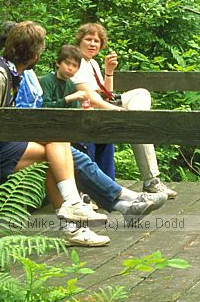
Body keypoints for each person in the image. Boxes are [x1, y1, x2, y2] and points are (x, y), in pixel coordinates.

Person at [0, 21, 111, 246]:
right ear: (35, 55)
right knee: (54, 147)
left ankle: (72, 211)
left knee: (55, 145)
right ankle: (73, 217)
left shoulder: (12, 73)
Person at [33, 42, 169, 224]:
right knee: (83, 153)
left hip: (66, 132)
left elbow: (88, 104)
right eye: (68, 64)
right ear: (58, 63)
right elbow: (42, 109)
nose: (71, 69)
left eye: (74, 66)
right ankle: (125, 199)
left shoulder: (76, 80)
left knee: (102, 139)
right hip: (50, 134)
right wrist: (69, 99)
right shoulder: (47, 82)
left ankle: (125, 203)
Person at [72, 22, 177, 199]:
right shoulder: (75, 62)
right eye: (88, 39)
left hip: (103, 107)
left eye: (96, 41)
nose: (92, 44)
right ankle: (150, 178)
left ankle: (135, 122)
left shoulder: (93, 63)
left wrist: (109, 71)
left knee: (141, 93)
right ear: (79, 41)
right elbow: (92, 99)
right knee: (138, 124)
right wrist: (118, 112)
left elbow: (107, 95)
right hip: (86, 113)